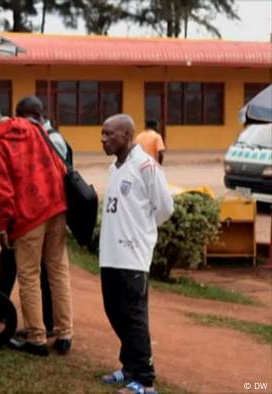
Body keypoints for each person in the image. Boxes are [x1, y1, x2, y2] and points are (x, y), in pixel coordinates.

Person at [0, 100, 73, 356]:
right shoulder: (31, 126)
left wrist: (4, 226)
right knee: (58, 271)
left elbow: (2, 190)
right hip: (56, 207)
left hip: (28, 216)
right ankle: (65, 333)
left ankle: (37, 337)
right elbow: (57, 165)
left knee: (29, 276)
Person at [99, 114, 173, 394]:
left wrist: (142, 231)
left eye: (109, 134)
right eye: (102, 135)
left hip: (132, 257)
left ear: (127, 136)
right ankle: (129, 367)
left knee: (133, 317)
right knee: (115, 312)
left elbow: (165, 208)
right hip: (111, 256)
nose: (104, 140)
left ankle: (144, 379)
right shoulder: (114, 168)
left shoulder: (145, 166)